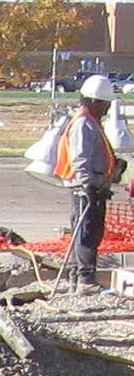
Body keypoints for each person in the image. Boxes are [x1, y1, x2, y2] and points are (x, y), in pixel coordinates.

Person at [56, 74, 126, 287]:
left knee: (91, 233)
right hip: (85, 189)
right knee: (86, 233)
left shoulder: (91, 122)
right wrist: (88, 185)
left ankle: (79, 278)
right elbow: (80, 158)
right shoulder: (83, 124)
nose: (107, 108)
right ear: (95, 101)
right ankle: (84, 279)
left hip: (94, 186)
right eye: (105, 104)